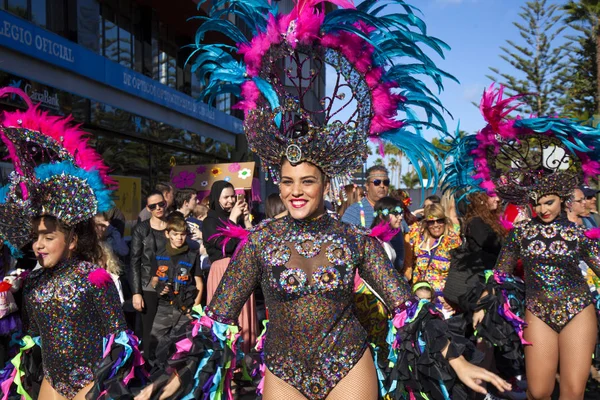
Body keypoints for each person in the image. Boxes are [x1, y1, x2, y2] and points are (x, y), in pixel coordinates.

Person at [133, 1, 511, 398]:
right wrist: (173, 378)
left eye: (307, 181)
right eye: (287, 180)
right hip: (283, 368)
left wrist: (457, 359)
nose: (296, 191)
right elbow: (218, 317)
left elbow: (406, 308)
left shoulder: (355, 241)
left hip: (347, 364)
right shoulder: (260, 241)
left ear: (325, 183)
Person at [455, 84, 600, 399]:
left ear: (561, 200)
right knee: (537, 392)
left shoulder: (578, 234)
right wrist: (485, 303)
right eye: (536, 203)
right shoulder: (521, 233)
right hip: (537, 311)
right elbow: (502, 273)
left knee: (573, 392)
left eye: (548, 202)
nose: (542, 209)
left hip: (578, 309)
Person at [0, 87, 143, 399]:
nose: (39, 245)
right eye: (35, 237)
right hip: (52, 381)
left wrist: (96, 387)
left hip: (90, 382)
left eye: (48, 237)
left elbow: (119, 340)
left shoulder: (94, 278)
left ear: (73, 240)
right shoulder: (34, 280)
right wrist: (9, 309)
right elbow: (33, 336)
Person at [201, 181, 256, 354]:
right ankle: (226, 360)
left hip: (242, 271)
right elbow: (227, 246)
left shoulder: (236, 220)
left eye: (233, 196)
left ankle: (245, 359)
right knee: (226, 318)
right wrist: (232, 219)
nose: (231, 201)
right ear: (216, 199)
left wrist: (246, 222)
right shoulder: (210, 222)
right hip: (223, 271)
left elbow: (254, 246)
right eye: (226, 197)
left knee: (243, 314)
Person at [149, 214, 202, 353]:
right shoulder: (159, 254)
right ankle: (157, 371)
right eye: (175, 234)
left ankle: (178, 373)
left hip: (185, 307)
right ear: (167, 234)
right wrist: (158, 286)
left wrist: (195, 308)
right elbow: (154, 278)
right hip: (164, 307)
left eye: (183, 234)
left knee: (184, 345)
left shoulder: (192, 254)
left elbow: (198, 282)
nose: (179, 238)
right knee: (155, 342)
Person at [129, 191, 167, 359]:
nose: (158, 208)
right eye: (153, 206)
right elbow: (135, 262)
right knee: (149, 330)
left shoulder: (174, 225)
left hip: (170, 284)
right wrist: (136, 292)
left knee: (169, 328)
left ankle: (167, 367)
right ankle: (148, 369)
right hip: (148, 285)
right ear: (148, 209)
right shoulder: (141, 229)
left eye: (161, 204)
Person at [403, 203, 461, 294]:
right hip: (420, 295)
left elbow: (459, 272)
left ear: (445, 221)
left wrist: (451, 298)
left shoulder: (452, 240)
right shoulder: (417, 237)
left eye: (439, 221)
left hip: (443, 299)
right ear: (426, 223)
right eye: (431, 222)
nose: (436, 225)